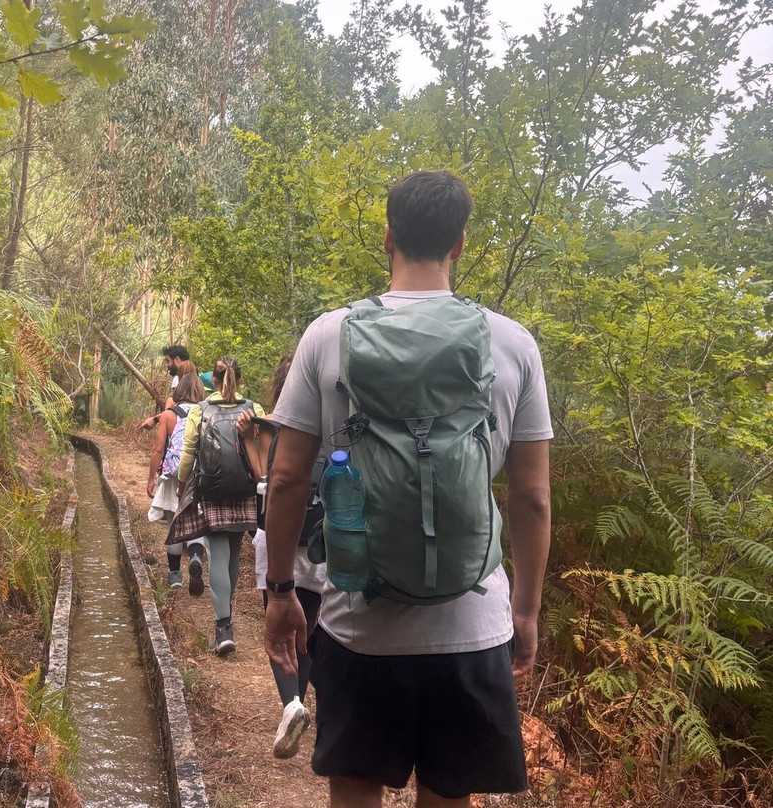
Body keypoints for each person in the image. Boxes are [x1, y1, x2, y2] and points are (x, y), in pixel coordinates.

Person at [263, 170, 553, 808]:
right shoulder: (513, 344)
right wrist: (524, 612)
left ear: (387, 237)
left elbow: (286, 478)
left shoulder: (325, 335)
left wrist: (281, 592)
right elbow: (532, 498)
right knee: (448, 796)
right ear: (460, 245)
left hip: (358, 627)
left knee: (357, 789)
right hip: (473, 625)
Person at [238, 354, 327, 760]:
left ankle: (291, 704)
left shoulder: (277, 425)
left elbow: (271, 481)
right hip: (325, 541)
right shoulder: (339, 423)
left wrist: (248, 442)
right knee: (306, 625)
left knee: (280, 623)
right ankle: (306, 702)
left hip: (281, 540)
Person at [173, 355, 266, 656]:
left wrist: (181, 483)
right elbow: (265, 451)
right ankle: (227, 614)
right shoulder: (254, 409)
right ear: (239, 379)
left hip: (212, 490)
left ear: (212, 380)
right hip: (245, 489)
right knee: (234, 552)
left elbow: (188, 453)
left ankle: (223, 627)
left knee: (219, 555)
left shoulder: (201, 411)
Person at [147, 364, 207, 588]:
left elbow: (158, 450)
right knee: (195, 522)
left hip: (173, 474)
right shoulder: (205, 411)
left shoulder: (169, 415)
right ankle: (195, 557)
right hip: (198, 474)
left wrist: (151, 478)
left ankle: (174, 576)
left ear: (178, 389)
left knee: (173, 521)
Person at [138, 345, 191, 431]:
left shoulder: (178, 379)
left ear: (177, 360)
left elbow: (174, 411)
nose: (167, 365)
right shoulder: (197, 380)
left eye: (168, 361)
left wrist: (155, 419)